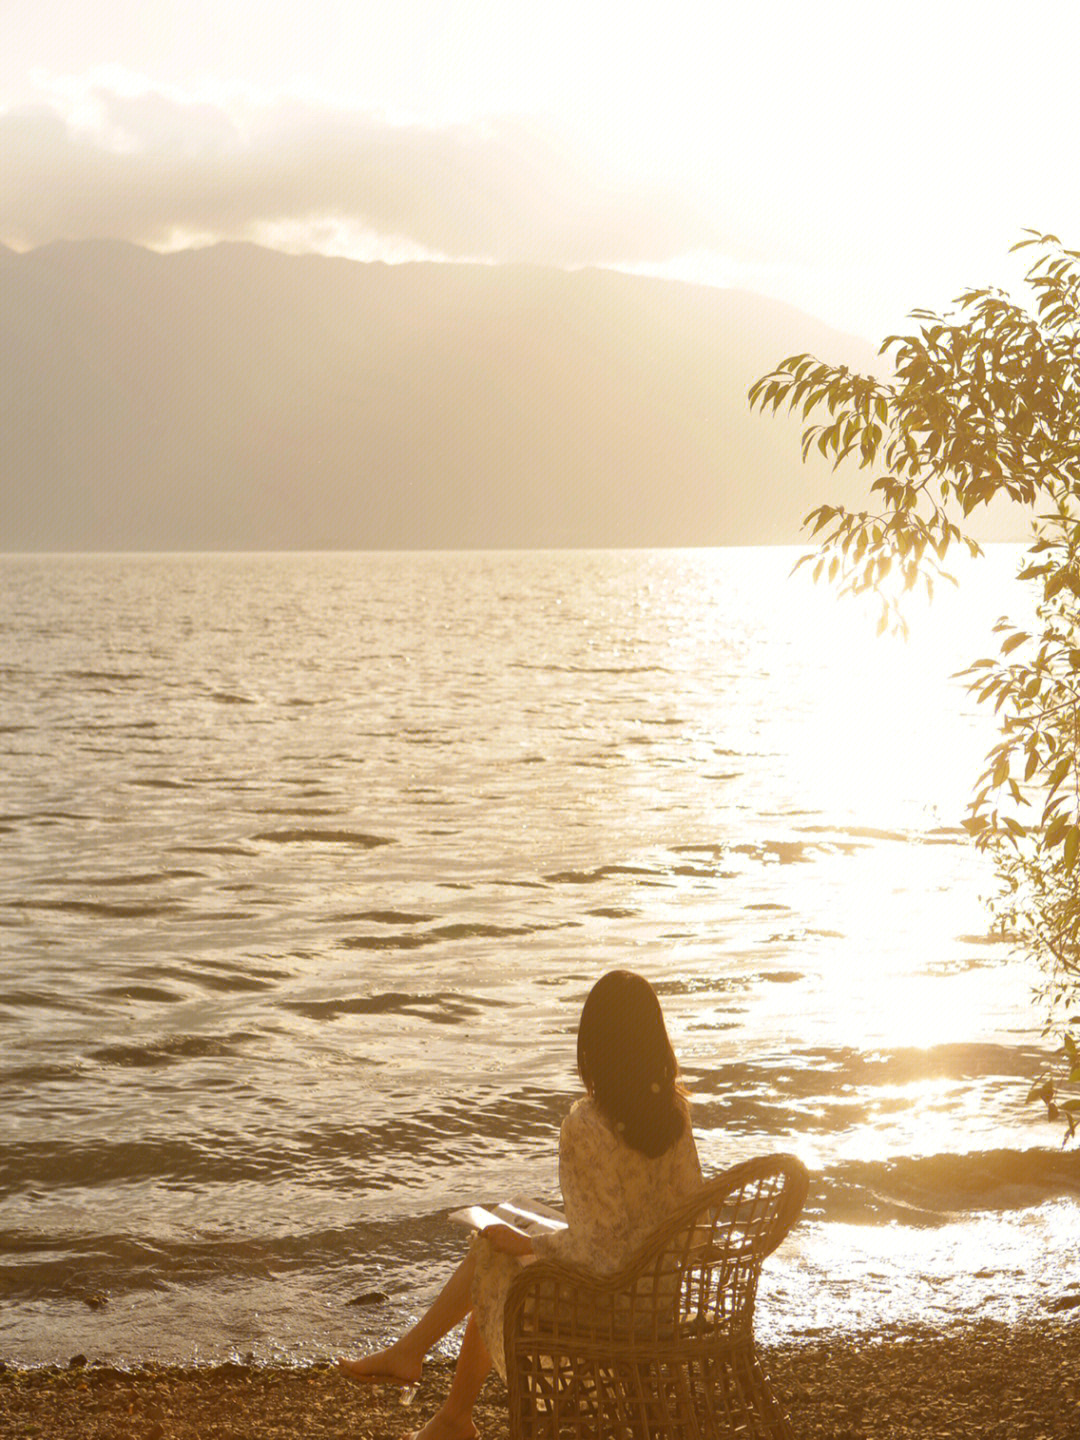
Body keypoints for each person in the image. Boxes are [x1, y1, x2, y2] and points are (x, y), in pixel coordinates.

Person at [338, 969, 703, 1440]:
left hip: (612, 1307)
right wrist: (526, 1238)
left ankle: (424, 1374)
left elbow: (598, 1253)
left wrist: (528, 1246)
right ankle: (447, 1409)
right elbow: (686, 1214)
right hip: (659, 1299)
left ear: (594, 1046)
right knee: (505, 1220)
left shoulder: (586, 1126)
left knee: (493, 1252)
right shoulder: (673, 1111)